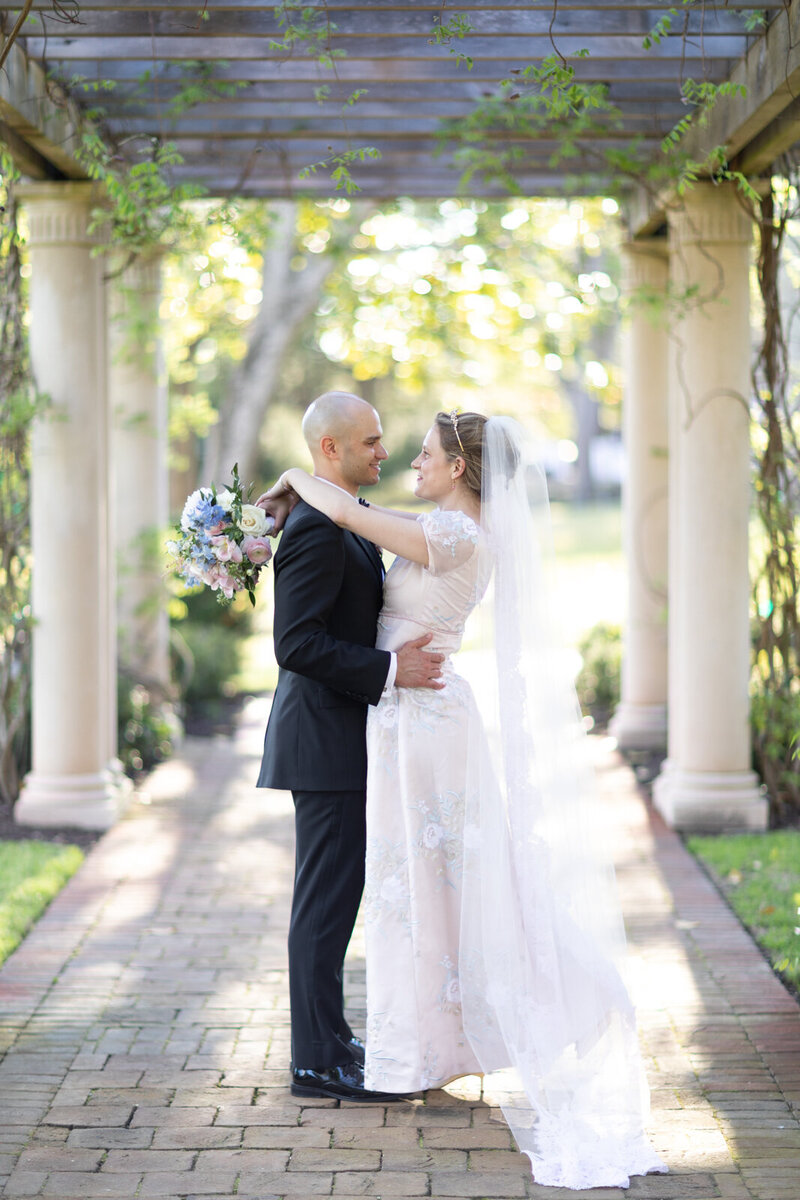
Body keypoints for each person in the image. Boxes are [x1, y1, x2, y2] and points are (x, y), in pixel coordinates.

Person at [260, 409, 668, 1190]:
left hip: (424, 717)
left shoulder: (456, 536)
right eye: (389, 446)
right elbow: (349, 522)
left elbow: (348, 510)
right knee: (427, 889)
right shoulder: (441, 524)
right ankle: (415, 1042)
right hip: (407, 716)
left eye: (421, 451)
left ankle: (424, 1039)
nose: (407, 458)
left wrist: (292, 484)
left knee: (433, 887)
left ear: (459, 467)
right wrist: (287, 496)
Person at [256, 390, 445, 1104]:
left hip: (344, 738)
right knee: (325, 906)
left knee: (336, 901)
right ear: (330, 449)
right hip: (324, 742)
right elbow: (295, 644)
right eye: (369, 440)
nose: (383, 450)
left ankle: (332, 1044)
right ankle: (315, 1064)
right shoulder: (315, 528)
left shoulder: (344, 518)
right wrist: (393, 670)